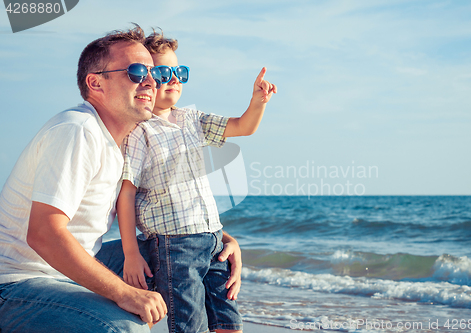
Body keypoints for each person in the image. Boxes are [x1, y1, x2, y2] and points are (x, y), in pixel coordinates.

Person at [0, 25, 242, 332]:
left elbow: (167, 213)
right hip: (18, 283)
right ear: (96, 83)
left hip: (73, 267)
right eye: (137, 72)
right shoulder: (77, 131)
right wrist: (125, 293)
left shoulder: (125, 144)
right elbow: (43, 233)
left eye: (155, 73)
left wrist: (219, 242)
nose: (152, 82)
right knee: (125, 328)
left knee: (192, 255)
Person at [117, 31, 277, 333]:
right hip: (174, 245)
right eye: (165, 72)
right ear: (146, 79)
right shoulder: (141, 131)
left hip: (213, 237)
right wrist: (131, 254)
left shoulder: (193, 119)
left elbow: (244, 126)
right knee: (191, 327)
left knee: (230, 323)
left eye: (180, 72)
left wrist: (258, 101)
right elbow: (126, 194)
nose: (175, 78)